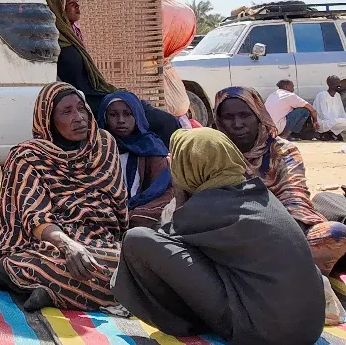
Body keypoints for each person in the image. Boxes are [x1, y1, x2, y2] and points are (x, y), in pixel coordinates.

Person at [113, 128, 325, 345]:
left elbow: (166, 241)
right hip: (309, 328)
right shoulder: (258, 193)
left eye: (175, 161)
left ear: (190, 166)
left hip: (266, 333)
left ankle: (183, 322)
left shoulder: (206, 207)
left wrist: (179, 195)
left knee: (137, 240)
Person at [0, 82, 128, 311]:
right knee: (45, 261)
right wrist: (69, 246)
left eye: (81, 109)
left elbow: (118, 208)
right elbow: (36, 217)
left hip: (101, 241)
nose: (79, 117)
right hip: (50, 242)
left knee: (128, 263)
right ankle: (15, 275)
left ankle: (46, 290)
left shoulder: (104, 146)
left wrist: (88, 245)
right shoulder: (28, 157)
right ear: (48, 119)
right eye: (67, 112)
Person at [35, 0, 183, 143]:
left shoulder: (68, 36)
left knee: (161, 121)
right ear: (56, 3)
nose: (77, 7)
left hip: (100, 95)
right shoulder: (52, 42)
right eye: (70, 3)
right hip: (92, 103)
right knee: (164, 123)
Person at [214, 86, 346, 274]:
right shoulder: (214, 153)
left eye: (245, 115)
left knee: (335, 234)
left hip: (285, 231)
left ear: (259, 115)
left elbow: (295, 199)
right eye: (228, 117)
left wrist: (273, 237)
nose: (237, 124)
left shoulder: (282, 150)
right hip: (234, 238)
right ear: (218, 120)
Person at [97, 91, 175, 228]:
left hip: (142, 208)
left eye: (127, 114)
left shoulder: (151, 146)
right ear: (104, 117)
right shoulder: (97, 147)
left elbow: (161, 187)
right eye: (113, 115)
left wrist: (133, 210)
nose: (121, 120)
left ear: (137, 115)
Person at [313, 76, 346, 142]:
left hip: (336, 122)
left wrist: (341, 121)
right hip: (324, 123)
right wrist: (338, 121)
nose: (339, 85)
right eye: (337, 83)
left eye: (339, 82)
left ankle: (334, 133)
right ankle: (332, 133)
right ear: (330, 84)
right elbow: (323, 114)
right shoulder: (322, 95)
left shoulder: (337, 95)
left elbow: (341, 112)